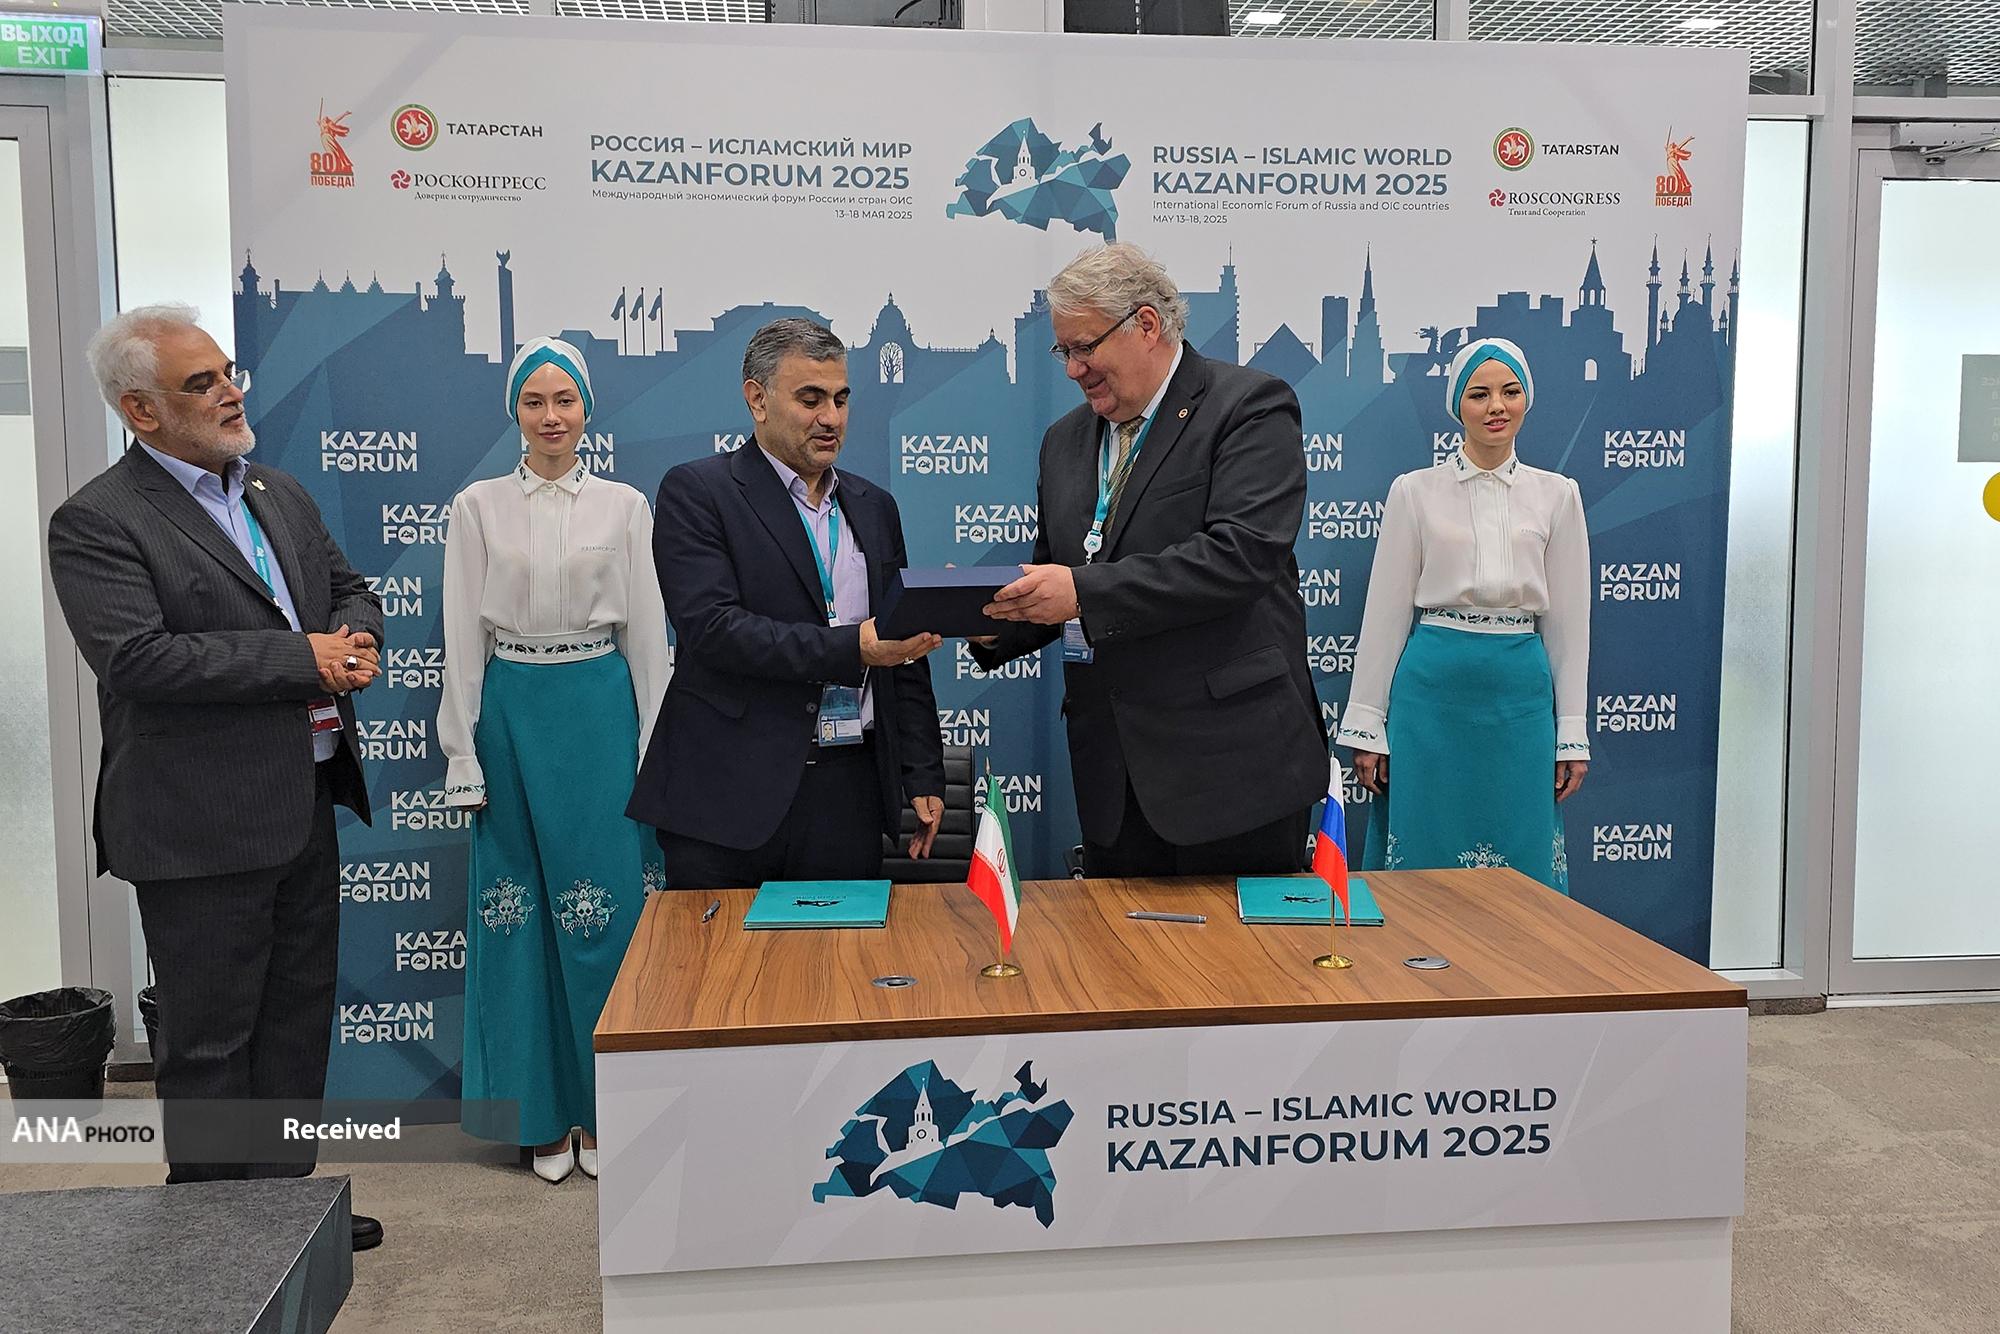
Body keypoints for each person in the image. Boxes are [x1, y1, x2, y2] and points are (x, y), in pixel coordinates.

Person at [48, 305, 386, 1251]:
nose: (231, 391)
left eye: (227, 371)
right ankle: (210, 1244)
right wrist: (305, 659)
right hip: (197, 823)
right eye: (201, 383)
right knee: (208, 1043)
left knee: (293, 1024)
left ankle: (284, 1217)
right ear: (141, 410)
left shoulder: (277, 490)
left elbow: (348, 587)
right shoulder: (97, 520)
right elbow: (139, 659)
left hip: (304, 798)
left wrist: (355, 636)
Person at [972, 243, 1325, 875]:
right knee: (1118, 942)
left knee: (1242, 946)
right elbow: (1060, 571)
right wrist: (988, 621)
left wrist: (1082, 593)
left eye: (1085, 347)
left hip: (1234, 772)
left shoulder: (1248, 406)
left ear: (1146, 324)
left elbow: (1240, 555)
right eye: (1063, 352)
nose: (1073, 369)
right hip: (1114, 780)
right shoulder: (1064, 441)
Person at [438, 337, 670, 1184]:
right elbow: (463, 636)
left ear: (587, 407)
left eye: (564, 400)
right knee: (516, 921)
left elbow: (648, 637)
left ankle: (605, 1110)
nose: (550, 416)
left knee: (606, 915)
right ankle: (538, 1116)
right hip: (511, 710)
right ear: (514, 410)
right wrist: (463, 751)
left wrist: (653, 749)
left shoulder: (625, 507)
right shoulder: (478, 507)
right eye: (534, 401)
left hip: (599, 711)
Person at [628, 318, 946, 887]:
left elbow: (904, 647)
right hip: (728, 798)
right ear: (757, 399)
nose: (831, 418)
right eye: (810, 399)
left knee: (841, 949)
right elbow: (714, 630)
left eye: (841, 399)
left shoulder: (875, 506)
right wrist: (854, 648)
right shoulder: (698, 492)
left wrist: (922, 772)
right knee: (720, 952)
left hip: (848, 793)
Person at [1336, 337, 1590, 890]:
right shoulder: (1414, 492)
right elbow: (1385, 614)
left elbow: (1569, 627)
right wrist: (1368, 724)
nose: (1497, 406)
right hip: (1430, 698)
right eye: (1479, 394)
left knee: (1523, 865)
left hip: (1521, 699)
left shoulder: (1558, 496)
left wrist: (1571, 732)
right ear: (1457, 406)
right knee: (1424, 859)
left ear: (1527, 400)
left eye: (1510, 392)